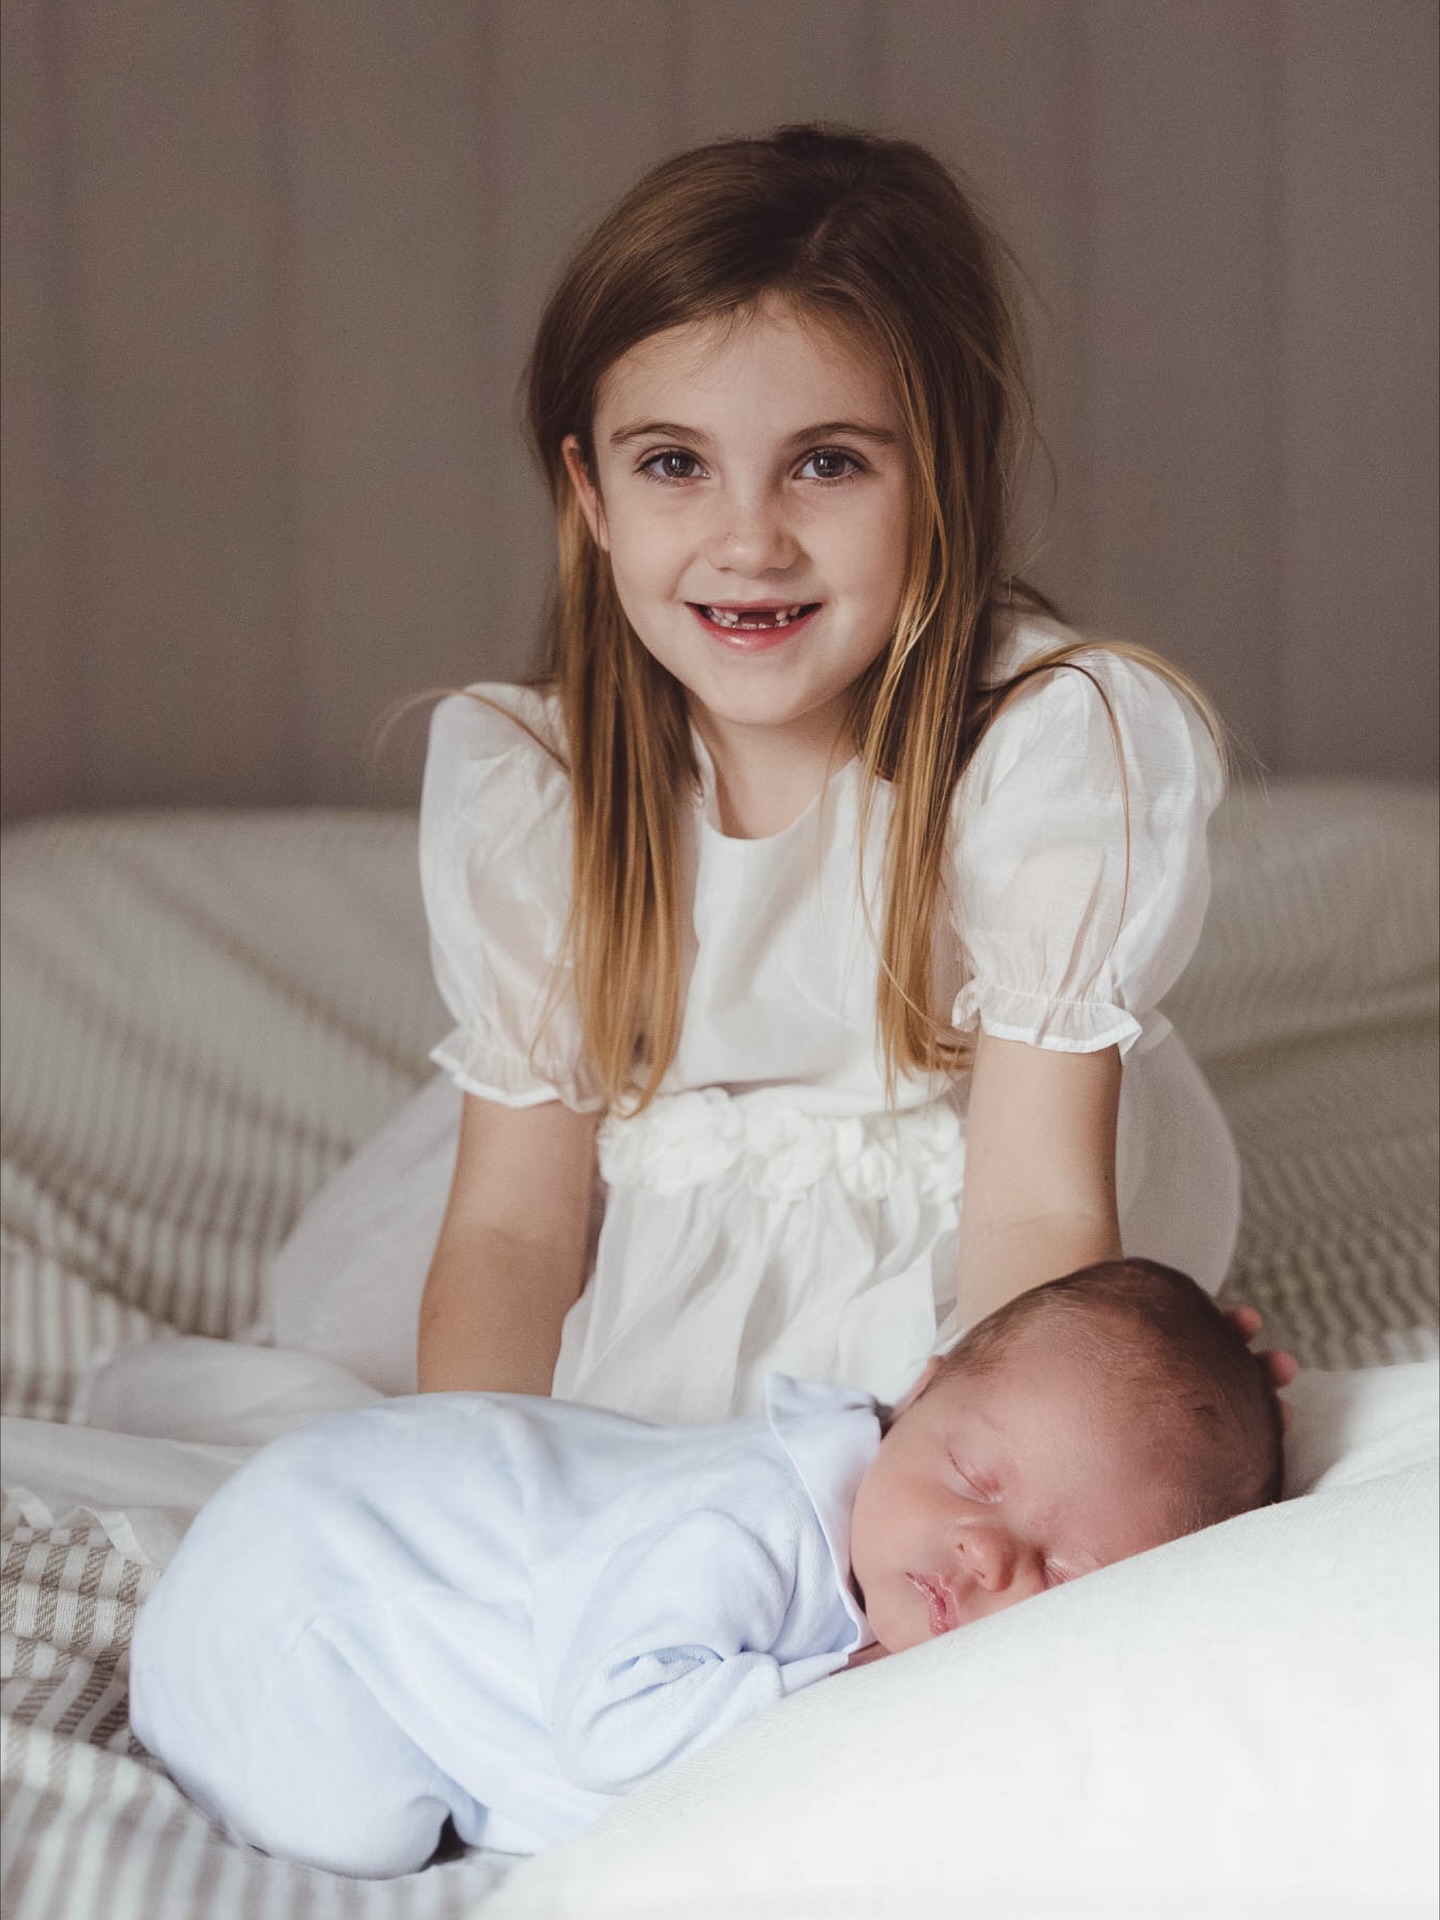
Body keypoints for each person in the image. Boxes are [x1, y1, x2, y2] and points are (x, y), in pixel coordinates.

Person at [262, 122, 1260, 1421]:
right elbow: (514, 1227)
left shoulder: (1046, 748)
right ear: (591, 494)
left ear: (942, 479)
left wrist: (1015, 1464)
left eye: (828, 462)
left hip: (990, 1239)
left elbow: (1041, 1203)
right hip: (644, 1212)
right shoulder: (540, 786)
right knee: (390, 1398)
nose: (749, 541)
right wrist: (484, 1478)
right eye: (675, 463)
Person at [129, 1260, 1285, 1878]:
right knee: (355, 1839)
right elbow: (611, 1728)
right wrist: (831, 1695)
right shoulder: (746, 1520)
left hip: (329, 1533)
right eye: (979, 1481)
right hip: (293, 1603)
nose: (987, 1552)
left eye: (1062, 1569)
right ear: (914, 1394)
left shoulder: (882, 1532)